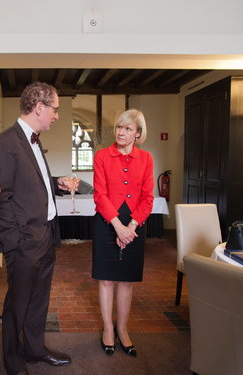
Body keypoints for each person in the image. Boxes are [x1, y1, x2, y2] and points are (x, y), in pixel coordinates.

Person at [0, 81, 76, 375]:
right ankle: (14, 361)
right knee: (17, 305)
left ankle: (35, 351)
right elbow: (2, 199)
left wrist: (57, 184)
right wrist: (16, 242)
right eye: (55, 109)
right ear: (39, 107)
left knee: (39, 301)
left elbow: (31, 184)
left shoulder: (33, 140)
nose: (56, 115)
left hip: (46, 235)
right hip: (25, 242)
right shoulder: (4, 143)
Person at [92, 109, 154, 358]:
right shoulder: (102, 156)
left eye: (127, 128)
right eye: (119, 127)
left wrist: (131, 227)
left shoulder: (146, 158)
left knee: (127, 281)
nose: (121, 132)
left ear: (138, 134)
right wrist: (118, 226)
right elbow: (100, 194)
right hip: (108, 221)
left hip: (135, 225)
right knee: (106, 279)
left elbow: (148, 198)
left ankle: (123, 329)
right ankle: (108, 329)